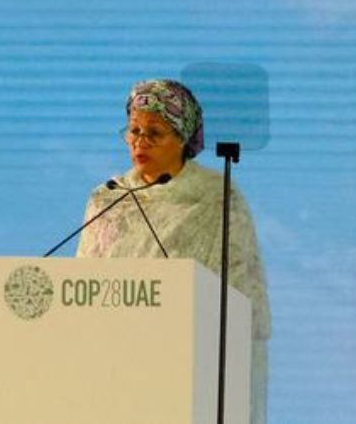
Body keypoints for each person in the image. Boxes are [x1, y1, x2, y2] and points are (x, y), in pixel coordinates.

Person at [76, 79, 270, 423]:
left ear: (183, 139)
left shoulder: (216, 198)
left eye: (155, 132)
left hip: (190, 369)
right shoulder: (107, 198)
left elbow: (241, 296)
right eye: (134, 130)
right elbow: (78, 292)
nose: (140, 141)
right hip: (113, 371)